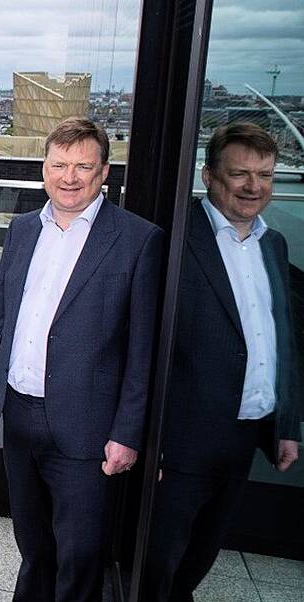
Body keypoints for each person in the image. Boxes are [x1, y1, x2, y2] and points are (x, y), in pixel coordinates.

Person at [0, 117, 164, 601]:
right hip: (19, 414)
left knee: (80, 556)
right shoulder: (23, 230)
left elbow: (143, 352)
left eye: (83, 167)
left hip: (88, 428)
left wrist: (128, 433)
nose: (69, 177)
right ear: (44, 169)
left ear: (104, 173)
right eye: (59, 165)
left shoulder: (138, 240)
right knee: (33, 547)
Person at [142, 122, 300, 600]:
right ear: (209, 176)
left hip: (245, 432)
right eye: (241, 174)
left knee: (204, 550)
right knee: (159, 556)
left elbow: (281, 341)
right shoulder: (171, 239)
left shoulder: (273, 244)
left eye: (265, 175)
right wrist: (150, 438)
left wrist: (286, 424)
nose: (254, 187)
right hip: (184, 436)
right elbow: (146, 343)